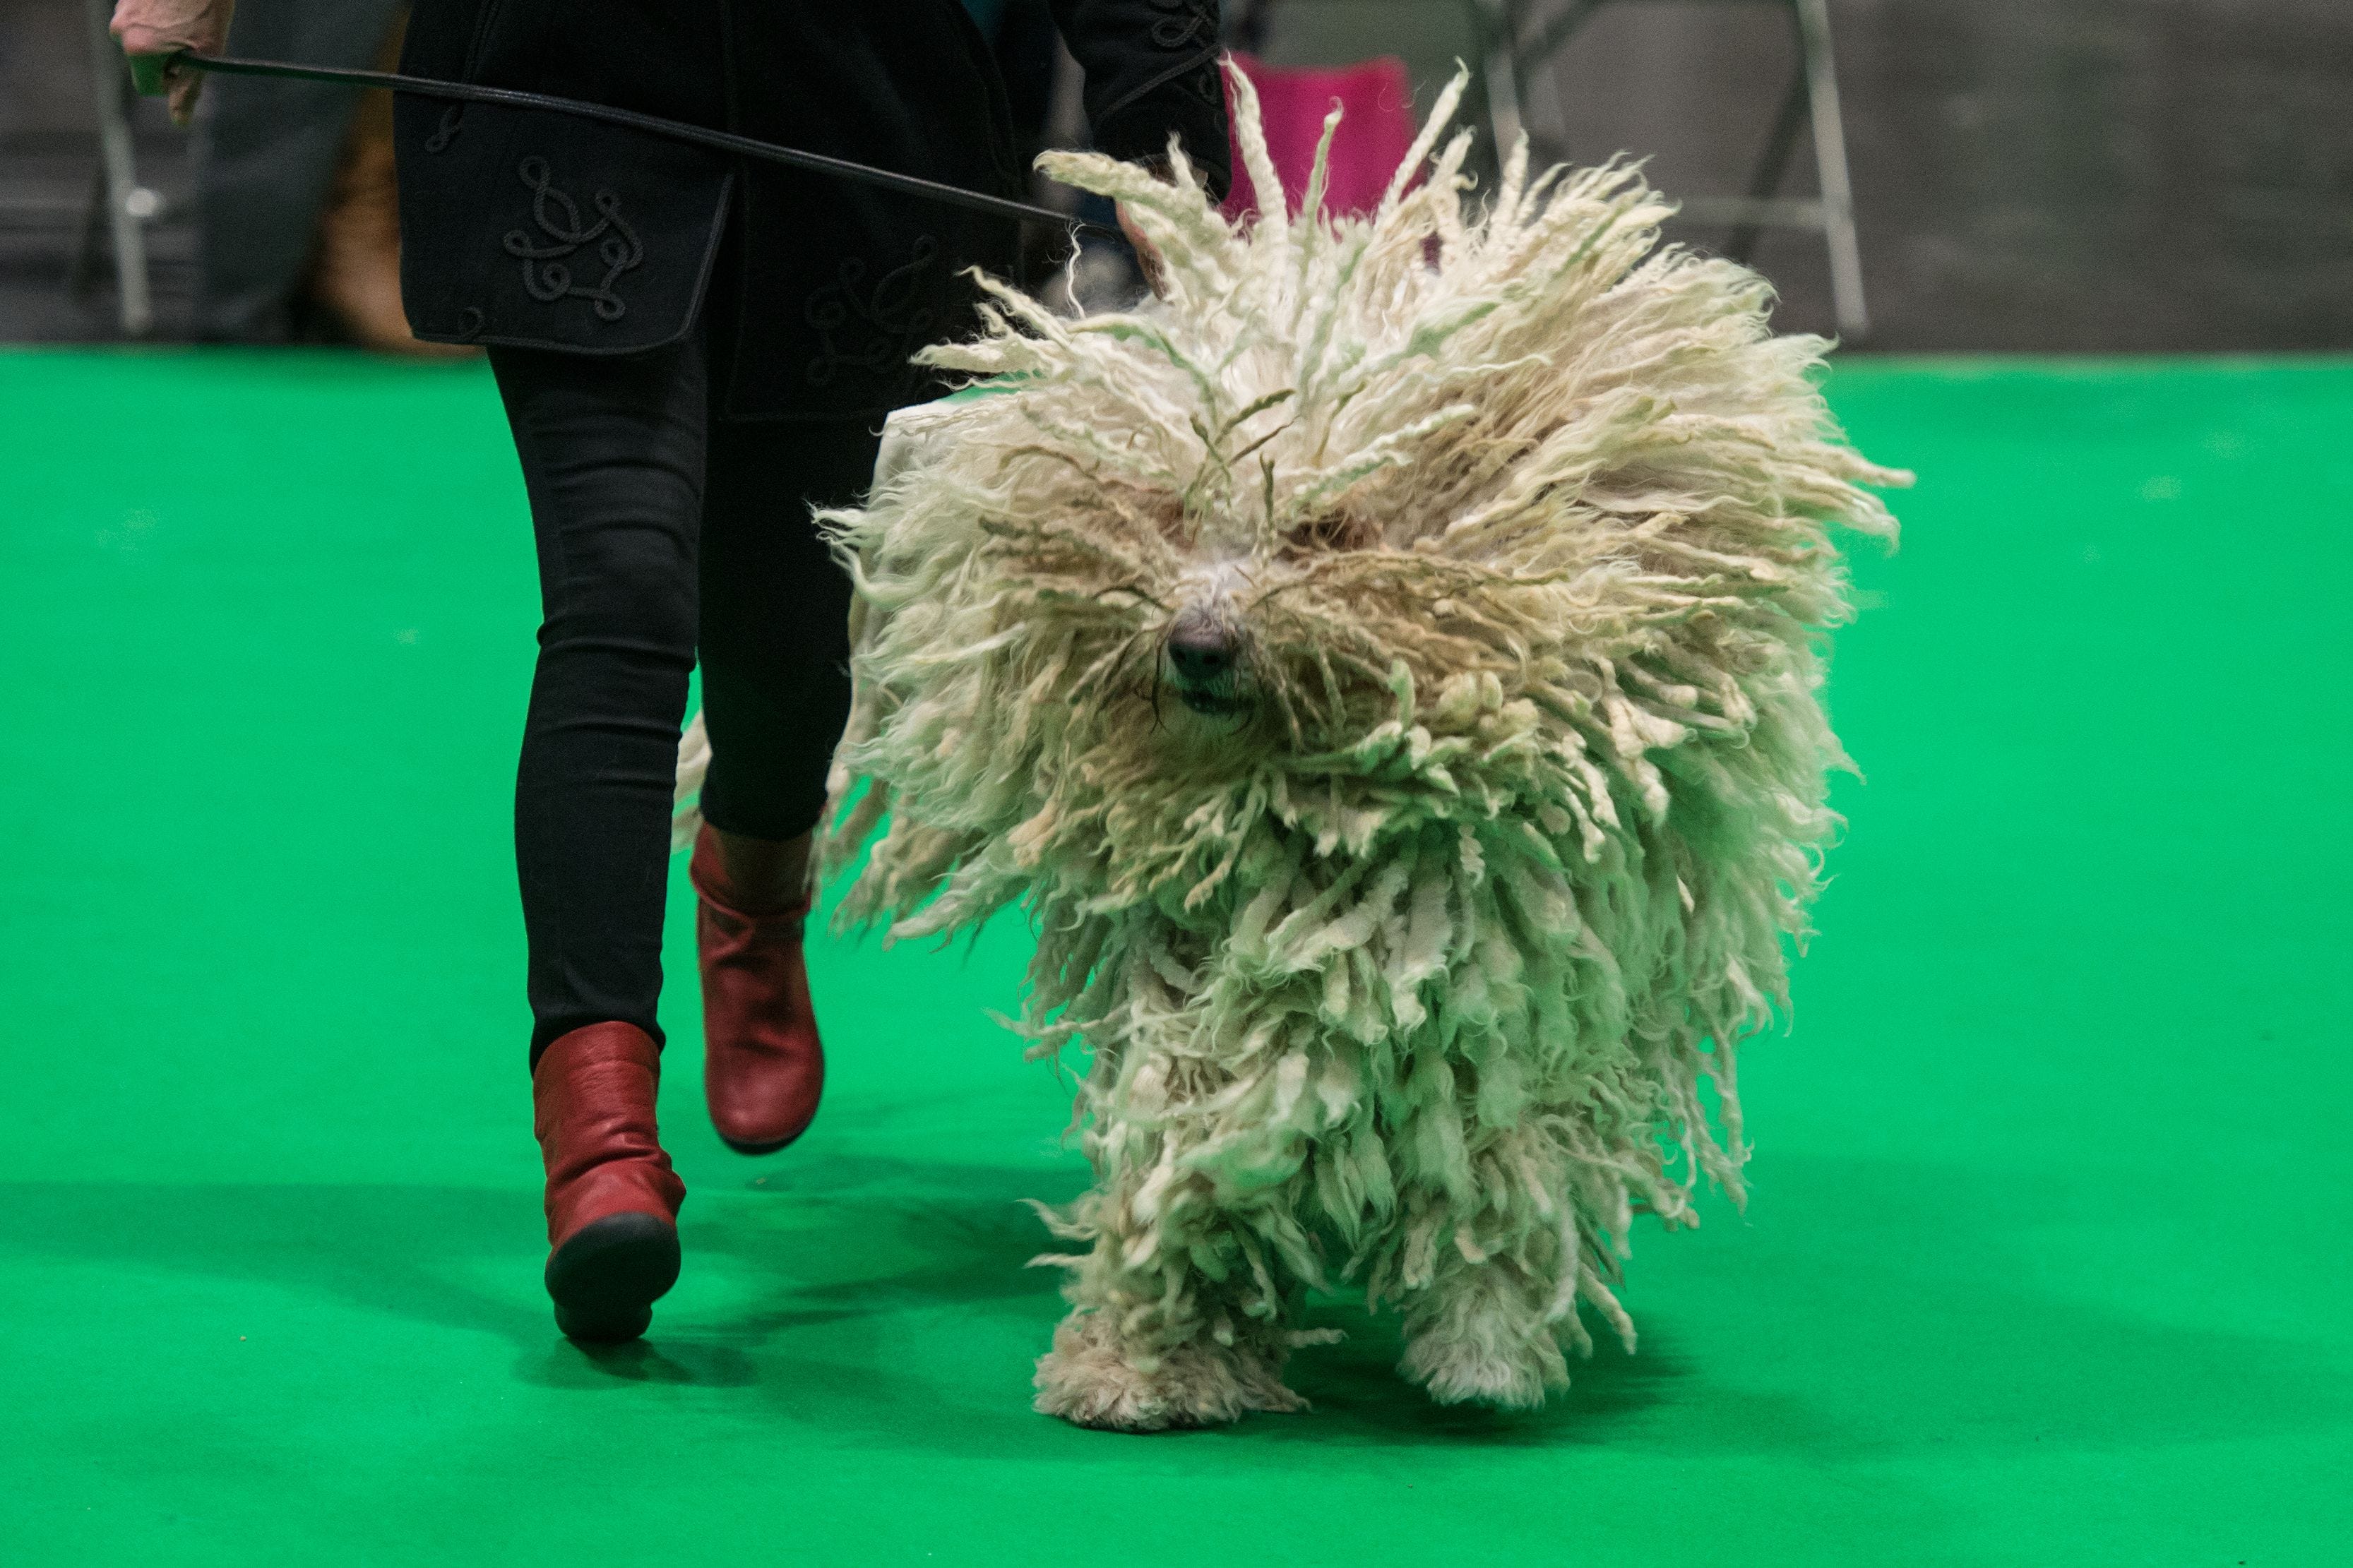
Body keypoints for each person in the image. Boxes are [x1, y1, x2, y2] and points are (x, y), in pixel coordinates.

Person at [112, 0, 1231, 1343]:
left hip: (864, 121)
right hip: (560, 102)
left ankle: (752, 873)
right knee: (620, 592)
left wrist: (1166, 133)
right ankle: (599, 1133)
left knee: (789, 641)